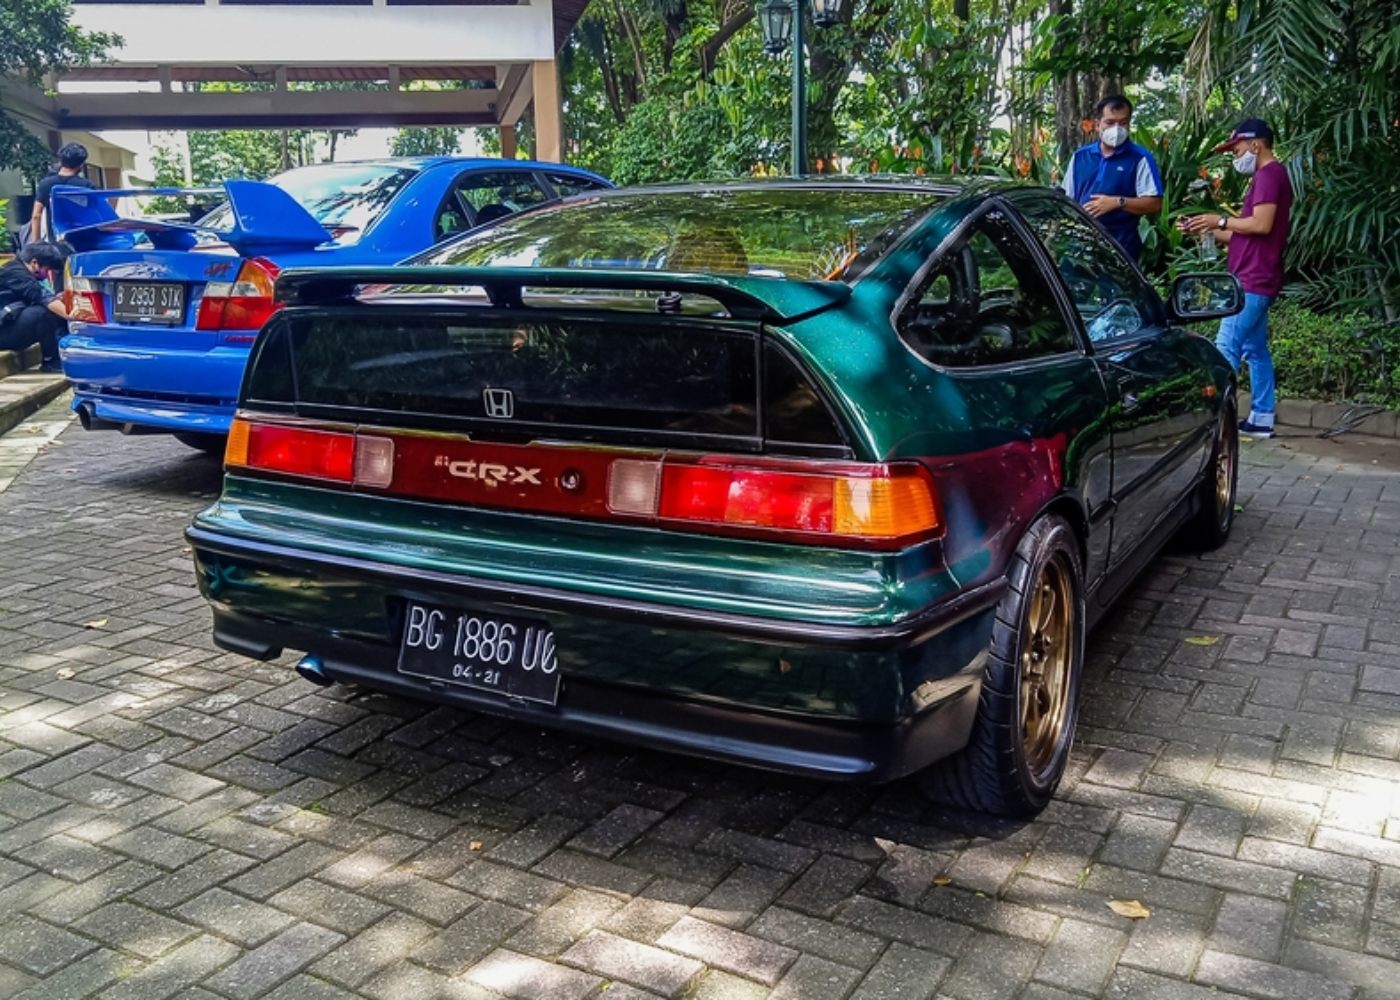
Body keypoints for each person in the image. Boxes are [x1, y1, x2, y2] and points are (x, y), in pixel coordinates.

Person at [1179, 118, 1293, 439]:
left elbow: (1261, 225)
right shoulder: (1266, 176)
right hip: (1255, 274)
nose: (1235, 155)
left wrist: (1222, 219)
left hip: (1253, 278)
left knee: (1225, 346)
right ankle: (1262, 417)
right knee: (1255, 349)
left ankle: (1213, 424)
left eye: (1237, 148)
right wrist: (1207, 229)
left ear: (1255, 144)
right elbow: (1246, 235)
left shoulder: (1270, 175)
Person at [1061, 94, 1164, 260]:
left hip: (1121, 249)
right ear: (1097, 124)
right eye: (1110, 122)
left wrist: (1117, 202)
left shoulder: (1140, 158)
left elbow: (1154, 204)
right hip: (1079, 248)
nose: (1117, 129)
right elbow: (1067, 199)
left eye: (1123, 123)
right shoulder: (1080, 157)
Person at [0, 242, 70, 373]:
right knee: (44, 312)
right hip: (3, 332)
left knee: (53, 307)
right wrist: (79, 318)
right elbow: (43, 298)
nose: (47, 275)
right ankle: (51, 362)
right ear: (35, 263)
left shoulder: (18, 269)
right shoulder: (15, 273)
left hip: (9, 323)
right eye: (48, 270)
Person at [30, 142, 93, 241]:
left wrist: (35, 246)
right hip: (82, 242)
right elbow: (95, 214)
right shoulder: (87, 186)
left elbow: (36, 216)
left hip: (55, 242)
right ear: (81, 164)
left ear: (61, 160)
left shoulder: (46, 184)